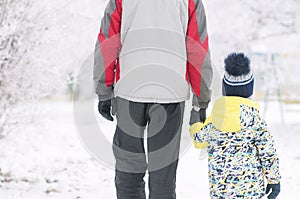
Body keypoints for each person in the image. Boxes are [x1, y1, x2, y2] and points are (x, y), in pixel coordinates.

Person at [93, 0, 213, 198]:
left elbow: (108, 40)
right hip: (171, 92)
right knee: (163, 173)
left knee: (129, 168)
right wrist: (201, 101)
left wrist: (104, 90)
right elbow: (197, 49)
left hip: (129, 90)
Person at [190, 53, 281, 199]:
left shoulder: (215, 121)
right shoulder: (255, 121)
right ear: (250, 90)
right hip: (251, 192)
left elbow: (199, 140)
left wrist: (196, 122)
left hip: (221, 192)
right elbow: (268, 153)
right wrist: (274, 180)